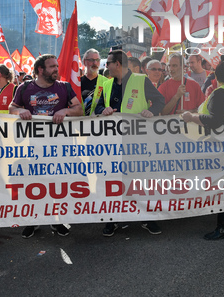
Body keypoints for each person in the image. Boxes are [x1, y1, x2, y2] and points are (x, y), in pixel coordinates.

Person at [9, 54, 83, 238]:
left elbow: (79, 109)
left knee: (56, 185)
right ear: (40, 70)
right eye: (52, 67)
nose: (56, 70)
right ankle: (32, 221)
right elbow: (12, 108)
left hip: (59, 147)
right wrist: (20, 110)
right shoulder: (24, 87)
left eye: (56, 66)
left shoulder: (64, 87)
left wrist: (66, 110)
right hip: (32, 147)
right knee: (33, 186)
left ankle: (55, 221)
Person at [97, 50, 165, 236]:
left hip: (138, 142)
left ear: (117, 64)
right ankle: (113, 220)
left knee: (141, 181)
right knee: (114, 182)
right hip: (113, 142)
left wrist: (152, 111)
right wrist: (103, 109)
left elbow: (160, 100)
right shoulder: (107, 83)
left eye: (108, 63)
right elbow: (97, 106)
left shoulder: (140, 80)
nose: (106, 67)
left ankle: (147, 218)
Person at [182, 61, 224, 239]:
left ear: (215, 76)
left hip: (223, 147)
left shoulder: (220, 93)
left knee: (223, 185)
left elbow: (214, 120)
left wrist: (191, 117)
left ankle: (223, 226)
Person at [80, 49, 107, 116]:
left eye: (97, 60)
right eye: (91, 60)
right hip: (79, 122)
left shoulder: (106, 82)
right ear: (84, 62)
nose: (95, 63)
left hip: (99, 122)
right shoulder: (77, 83)